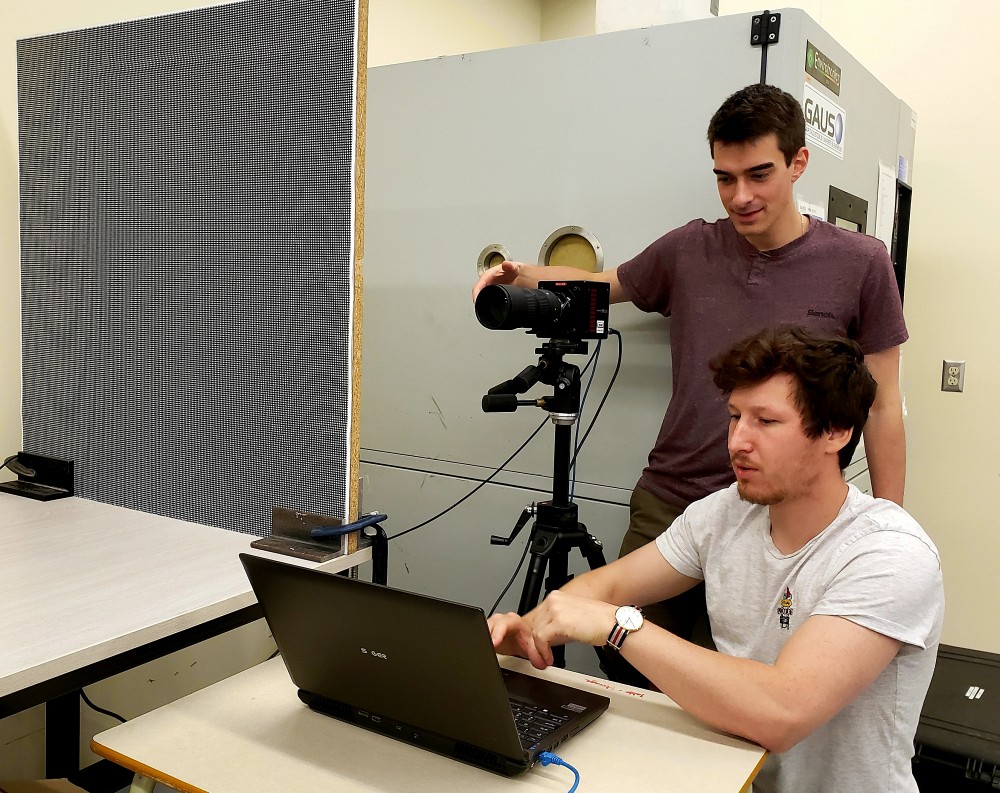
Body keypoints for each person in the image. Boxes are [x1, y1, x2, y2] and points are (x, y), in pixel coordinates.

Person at [472, 83, 907, 662]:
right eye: (725, 179)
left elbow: (882, 404)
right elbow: (606, 286)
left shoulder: (861, 262)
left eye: (759, 175)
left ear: (798, 163)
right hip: (672, 501)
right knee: (626, 660)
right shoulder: (689, 249)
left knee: (743, 680)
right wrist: (520, 275)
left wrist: (885, 527)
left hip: (784, 514)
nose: (741, 196)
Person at [488, 326, 943, 793]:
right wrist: (529, 630)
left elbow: (782, 712)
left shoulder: (889, 552)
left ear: (836, 432)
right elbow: (604, 588)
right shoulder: (724, 514)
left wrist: (618, 626)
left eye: (766, 421)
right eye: (734, 417)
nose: (737, 441)